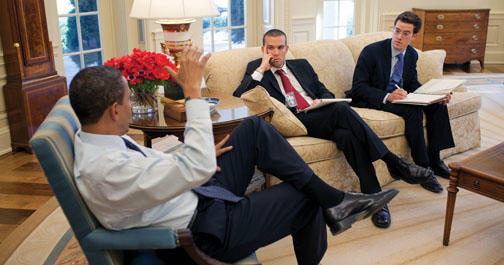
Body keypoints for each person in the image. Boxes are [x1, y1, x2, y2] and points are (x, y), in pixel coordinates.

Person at [69, 47, 398, 265]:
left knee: (253, 131)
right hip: (204, 233)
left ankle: (336, 200)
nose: (132, 106)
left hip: (196, 196)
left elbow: (158, 171)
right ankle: (334, 201)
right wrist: (193, 94)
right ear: (114, 110)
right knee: (304, 197)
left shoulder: (99, 140)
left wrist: (189, 153)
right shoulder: (106, 168)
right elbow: (190, 171)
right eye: (128, 101)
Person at [234, 29, 436, 229]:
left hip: (319, 114)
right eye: (270, 48)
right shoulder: (257, 69)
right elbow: (241, 95)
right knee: (341, 110)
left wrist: (322, 100)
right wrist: (262, 68)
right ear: (263, 49)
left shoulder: (301, 65)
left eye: (280, 48)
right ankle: (393, 161)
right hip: (294, 120)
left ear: (286, 48)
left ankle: (376, 201)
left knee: (348, 136)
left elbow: (323, 89)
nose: (275, 53)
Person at [346, 11, 454, 194]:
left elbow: (412, 83)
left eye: (405, 33)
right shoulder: (372, 52)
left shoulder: (411, 54)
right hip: (373, 99)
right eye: (397, 31)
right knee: (413, 112)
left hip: (398, 97)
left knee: (438, 106)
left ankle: (435, 160)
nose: (399, 37)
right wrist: (387, 96)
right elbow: (358, 88)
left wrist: (435, 95)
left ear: (414, 36)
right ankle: (423, 168)